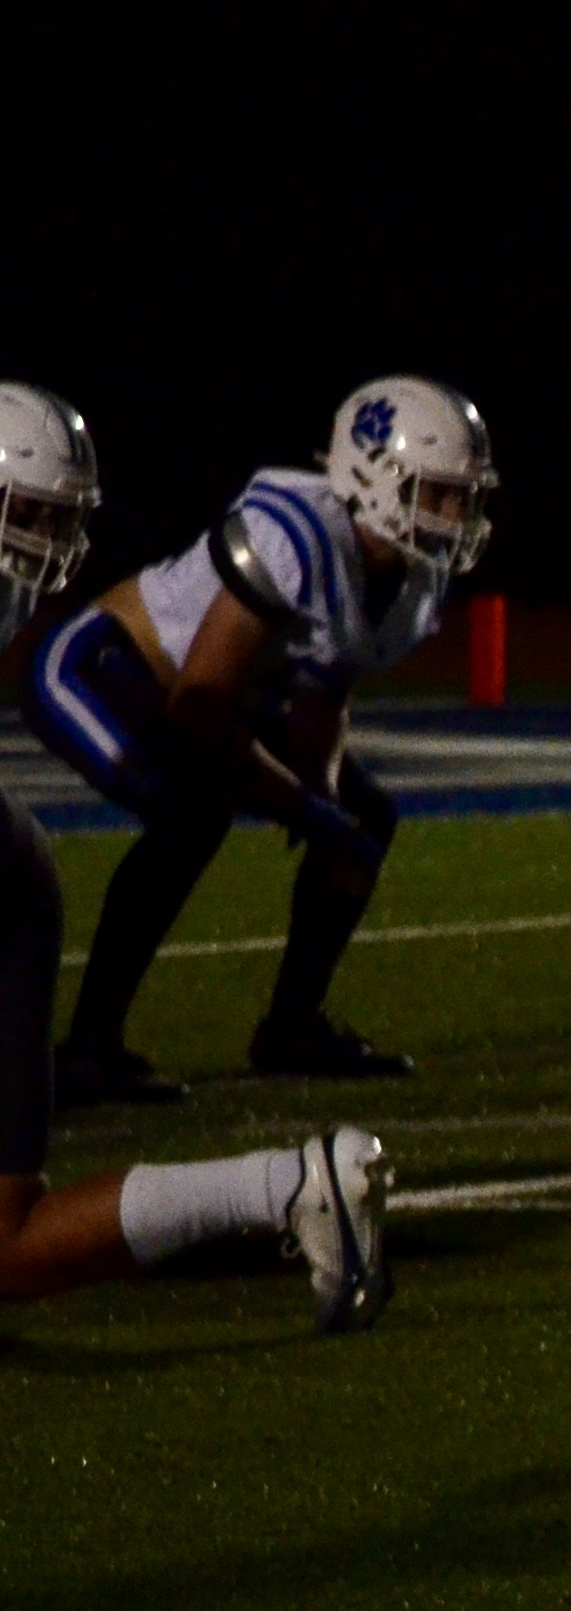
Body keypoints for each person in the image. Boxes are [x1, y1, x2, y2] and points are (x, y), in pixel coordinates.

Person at [0, 380, 391, 1333]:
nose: (44, 541)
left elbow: (294, 696)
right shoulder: (298, 532)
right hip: (19, 858)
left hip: (7, 872)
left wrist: (311, 797)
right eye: (29, 514)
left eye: (52, 518)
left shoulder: (381, 572)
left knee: (194, 820)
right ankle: (291, 1186)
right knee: (5, 1247)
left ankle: (144, 1043)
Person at [18, 378, 489, 1102]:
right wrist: (300, 806)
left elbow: (326, 689)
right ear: (374, 478)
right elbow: (198, 702)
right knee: (191, 817)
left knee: (364, 819)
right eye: (441, 494)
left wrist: (323, 795)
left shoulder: (412, 576)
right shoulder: (291, 533)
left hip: (223, 695)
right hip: (106, 670)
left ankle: (293, 1027)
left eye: (463, 497)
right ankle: (88, 1048)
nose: (457, 515)